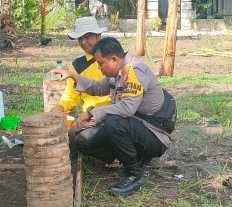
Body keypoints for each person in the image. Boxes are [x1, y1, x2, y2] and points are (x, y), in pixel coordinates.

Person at [52, 37, 176, 197]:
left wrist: (91, 112)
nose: (99, 68)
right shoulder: (117, 72)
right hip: (134, 128)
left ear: (114, 59)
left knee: (113, 121)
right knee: (82, 140)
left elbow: (127, 108)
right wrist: (72, 75)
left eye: (101, 63)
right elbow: (97, 87)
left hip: (154, 135)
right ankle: (127, 157)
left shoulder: (134, 70)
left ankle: (134, 175)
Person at [49, 16, 111, 115]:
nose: (83, 42)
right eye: (80, 38)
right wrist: (60, 107)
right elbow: (71, 96)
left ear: (98, 35)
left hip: (112, 113)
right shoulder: (78, 64)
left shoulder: (113, 58)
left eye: (86, 37)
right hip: (87, 116)